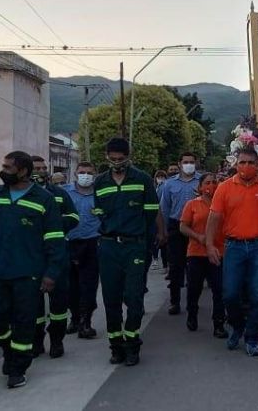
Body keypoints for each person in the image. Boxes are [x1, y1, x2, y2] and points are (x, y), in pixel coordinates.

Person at [0, 151, 68, 388]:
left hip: (29, 273)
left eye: (8, 167)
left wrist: (51, 274)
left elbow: (55, 239)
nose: (3, 171)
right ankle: (7, 350)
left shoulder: (43, 199)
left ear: (24, 171)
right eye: (3, 166)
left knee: (24, 321)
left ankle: (18, 367)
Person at [205, 148, 258, 356]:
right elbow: (213, 217)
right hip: (234, 247)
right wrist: (209, 244)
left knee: (257, 294)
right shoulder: (224, 188)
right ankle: (237, 325)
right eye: (242, 162)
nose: (246, 167)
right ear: (235, 164)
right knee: (230, 294)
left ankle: (252, 337)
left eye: (251, 163)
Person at [93, 138, 160, 366]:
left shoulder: (141, 179)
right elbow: (99, 211)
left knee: (133, 297)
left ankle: (132, 344)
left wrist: (140, 235)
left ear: (129, 157)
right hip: (109, 246)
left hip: (134, 246)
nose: (117, 163)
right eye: (113, 159)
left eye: (121, 159)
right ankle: (116, 346)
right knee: (110, 298)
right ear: (106, 157)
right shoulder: (100, 182)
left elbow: (151, 211)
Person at [30, 156, 80, 359]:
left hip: (57, 254)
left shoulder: (58, 193)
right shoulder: (20, 195)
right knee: (34, 305)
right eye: (36, 168)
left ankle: (57, 341)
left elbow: (74, 217)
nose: (41, 171)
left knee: (59, 302)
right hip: (32, 256)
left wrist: (54, 223)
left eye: (43, 168)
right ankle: (36, 342)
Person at [179, 174, 227, 338]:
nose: (211, 185)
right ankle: (192, 313)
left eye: (214, 182)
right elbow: (183, 227)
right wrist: (198, 237)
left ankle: (219, 324)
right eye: (207, 183)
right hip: (196, 253)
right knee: (194, 288)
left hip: (218, 252)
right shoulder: (192, 204)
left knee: (219, 289)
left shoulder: (223, 204)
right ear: (200, 187)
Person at [157, 153, 201, 315]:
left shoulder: (201, 181)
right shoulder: (169, 184)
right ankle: (174, 301)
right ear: (180, 163)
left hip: (197, 228)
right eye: (185, 162)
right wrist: (164, 231)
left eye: (191, 162)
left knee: (194, 267)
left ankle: (192, 302)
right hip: (176, 226)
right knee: (175, 266)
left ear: (195, 163)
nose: (189, 164)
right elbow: (165, 209)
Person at [63, 162, 101, 339]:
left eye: (89, 172)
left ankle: (86, 321)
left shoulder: (100, 194)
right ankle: (75, 317)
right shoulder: (64, 192)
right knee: (70, 285)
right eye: (82, 172)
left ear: (95, 175)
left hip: (93, 243)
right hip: (69, 242)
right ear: (76, 174)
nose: (86, 175)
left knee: (89, 285)